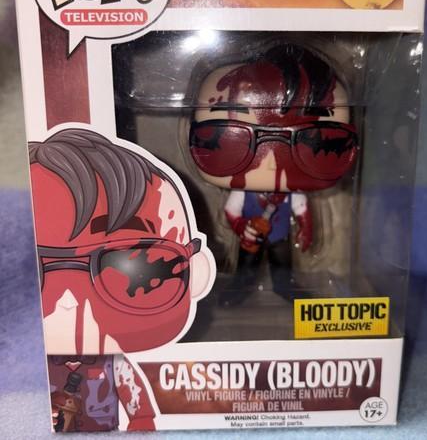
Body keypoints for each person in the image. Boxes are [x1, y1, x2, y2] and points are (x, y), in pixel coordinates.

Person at [30, 128, 215, 431]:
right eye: (32, 269)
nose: (68, 302)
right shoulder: (33, 365)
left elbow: (140, 410)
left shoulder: (114, 364)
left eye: (135, 269)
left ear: (196, 273)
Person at [189, 44, 358, 306]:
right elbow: (231, 212)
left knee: (282, 263)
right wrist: (241, 228)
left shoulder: (292, 192)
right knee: (247, 264)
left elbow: (302, 211)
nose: (269, 163)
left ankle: (283, 287)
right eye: (235, 138)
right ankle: (241, 288)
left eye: (309, 138)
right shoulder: (242, 190)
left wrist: (306, 231)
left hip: (279, 234)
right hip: (251, 236)